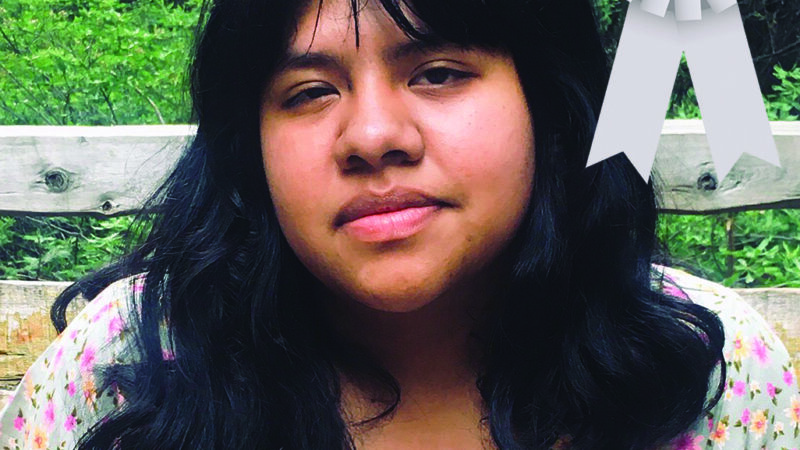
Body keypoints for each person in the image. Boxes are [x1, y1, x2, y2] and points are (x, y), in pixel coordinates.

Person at [1, 0, 798, 448]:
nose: (373, 135)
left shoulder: (711, 372)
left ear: (549, 110)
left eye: (440, 73)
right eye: (309, 91)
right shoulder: (122, 372)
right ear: (253, 149)